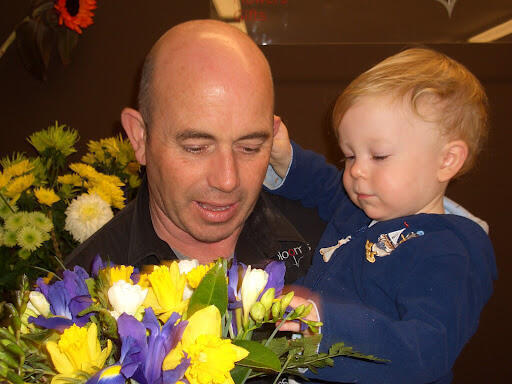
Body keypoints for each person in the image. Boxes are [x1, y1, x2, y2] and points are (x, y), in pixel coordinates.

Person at [266, 48, 497, 383]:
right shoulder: (365, 206)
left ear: (446, 161)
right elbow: (325, 186)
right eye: (349, 155)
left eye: (379, 155)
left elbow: (424, 349)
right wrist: (285, 157)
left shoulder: (450, 252)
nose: (357, 170)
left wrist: (322, 328)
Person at [64, 20, 327, 284]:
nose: (227, 180)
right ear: (140, 138)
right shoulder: (84, 295)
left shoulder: (331, 244)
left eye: (250, 148)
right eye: (196, 148)